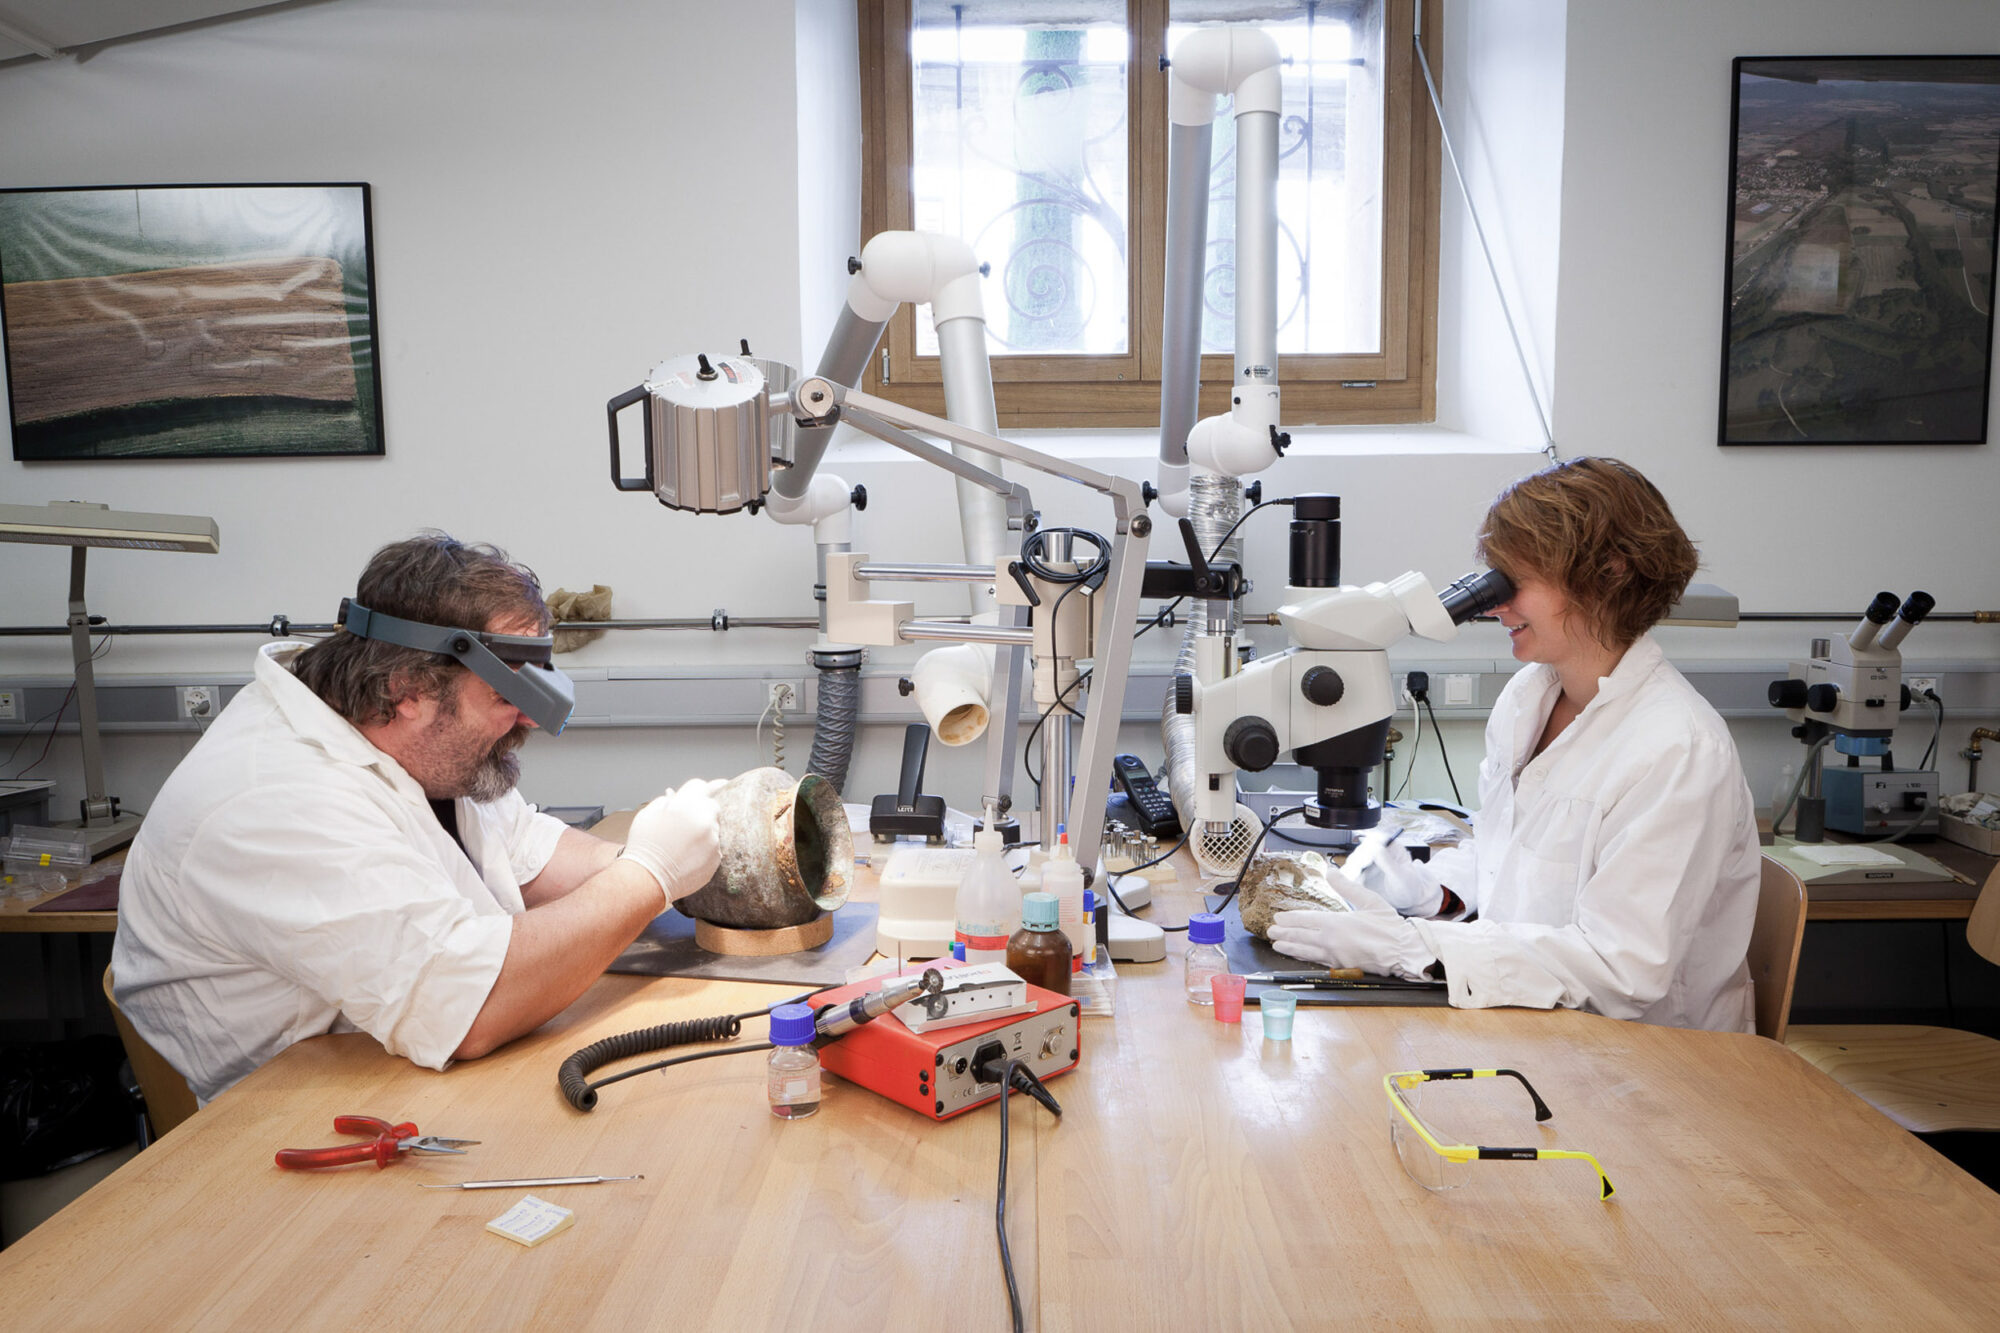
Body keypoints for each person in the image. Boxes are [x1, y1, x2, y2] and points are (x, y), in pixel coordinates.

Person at [113, 533, 726, 1103]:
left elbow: (523, 852)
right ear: (407, 690)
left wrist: (671, 859)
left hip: (407, 1076)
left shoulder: (405, 742)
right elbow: (468, 1011)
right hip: (296, 1124)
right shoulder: (273, 800)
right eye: (504, 697)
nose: (530, 720)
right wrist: (650, 875)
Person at [1268, 457, 1761, 1033]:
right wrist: (1432, 895)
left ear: (1608, 575)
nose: (1495, 605)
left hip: (1650, 1061)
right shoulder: (1529, 695)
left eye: (1514, 582)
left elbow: (1621, 971)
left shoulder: (1677, 749)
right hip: (1535, 1023)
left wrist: (1412, 947)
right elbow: (1517, 863)